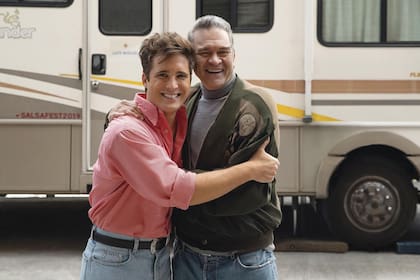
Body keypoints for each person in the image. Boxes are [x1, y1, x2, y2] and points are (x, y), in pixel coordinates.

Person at [80, 32, 279, 280]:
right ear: (145, 79)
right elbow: (175, 188)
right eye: (163, 75)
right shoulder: (128, 130)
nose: (173, 85)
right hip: (120, 261)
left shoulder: (175, 122)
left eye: (181, 76)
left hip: (161, 256)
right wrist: (250, 169)